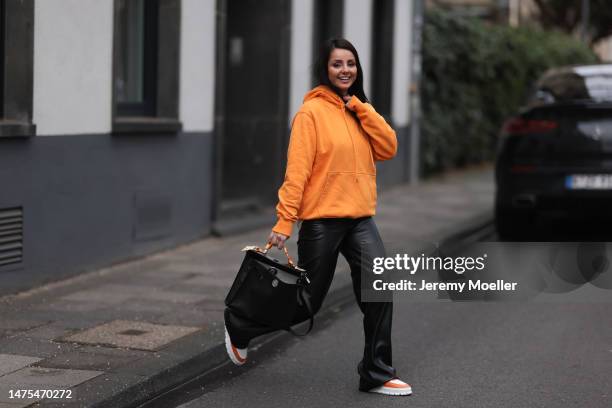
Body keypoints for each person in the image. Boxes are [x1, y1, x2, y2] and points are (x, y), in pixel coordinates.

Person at [224, 38, 411, 396]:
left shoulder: (360, 111)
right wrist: (284, 222)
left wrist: (360, 106)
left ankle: (377, 371)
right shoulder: (310, 114)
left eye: (351, 64)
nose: (345, 70)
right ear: (325, 70)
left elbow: (388, 147)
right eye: (337, 64)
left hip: (359, 219)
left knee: (379, 289)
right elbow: (297, 173)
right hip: (322, 221)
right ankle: (240, 325)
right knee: (307, 302)